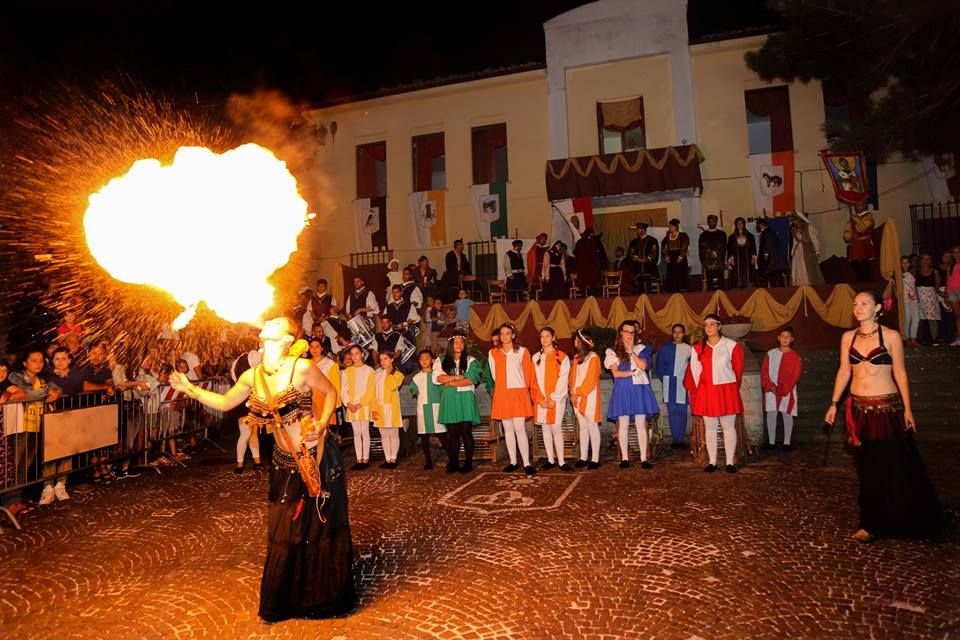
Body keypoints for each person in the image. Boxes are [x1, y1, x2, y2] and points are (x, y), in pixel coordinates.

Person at [168, 317, 355, 621]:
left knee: (317, 527)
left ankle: (322, 599)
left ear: (286, 339)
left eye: (277, 322)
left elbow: (331, 393)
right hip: (282, 461)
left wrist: (321, 424)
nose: (269, 321)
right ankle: (288, 600)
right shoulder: (253, 376)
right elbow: (226, 403)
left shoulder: (302, 368)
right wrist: (190, 389)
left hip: (315, 458)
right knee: (286, 531)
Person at [824, 290, 943, 542]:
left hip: (887, 410)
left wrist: (908, 408)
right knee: (867, 469)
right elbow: (844, 371)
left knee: (894, 466)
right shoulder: (848, 337)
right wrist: (834, 403)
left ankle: (905, 519)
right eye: (856, 303)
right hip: (858, 411)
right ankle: (870, 524)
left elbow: (900, 372)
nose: (858, 307)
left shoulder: (890, 336)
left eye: (864, 303)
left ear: (878, 307)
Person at [684, 314, 744, 473]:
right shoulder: (697, 348)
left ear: (719, 326)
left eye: (712, 324)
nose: (709, 327)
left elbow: (738, 370)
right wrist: (699, 392)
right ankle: (712, 461)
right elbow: (695, 372)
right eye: (706, 325)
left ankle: (730, 462)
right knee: (710, 427)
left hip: (726, 390)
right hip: (707, 391)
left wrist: (732, 388)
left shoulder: (731, 346)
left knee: (728, 426)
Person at [605, 321, 659, 469]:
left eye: (632, 332)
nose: (629, 335)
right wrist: (630, 373)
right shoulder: (612, 351)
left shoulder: (642, 349)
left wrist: (631, 352)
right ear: (620, 332)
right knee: (623, 425)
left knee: (641, 424)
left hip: (639, 389)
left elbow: (643, 366)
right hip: (622, 390)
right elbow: (616, 373)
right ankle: (625, 458)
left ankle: (643, 458)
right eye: (626, 331)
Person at [488, 323, 536, 474]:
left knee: (519, 427)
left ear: (513, 335)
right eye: (502, 334)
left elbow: (528, 373)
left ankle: (527, 463)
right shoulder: (493, 353)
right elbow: (494, 374)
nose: (504, 336)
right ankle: (513, 461)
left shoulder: (522, 351)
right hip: (502, 393)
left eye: (508, 333)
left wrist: (524, 390)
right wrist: (502, 387)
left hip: (518, 393)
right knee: (507, 428)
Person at [435, 333, 482, 473]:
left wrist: (450, 382)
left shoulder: (471, 360)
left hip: (466, 398)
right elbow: (438, 378)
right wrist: (457, 377)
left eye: (461, 342)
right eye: (456, 342)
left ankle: (468, 463)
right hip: (450, 399)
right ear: (450, 344)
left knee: (466, 432)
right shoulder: (441, 360)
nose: (459, 345)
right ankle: (453, 462)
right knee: (453, 433)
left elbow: (471, 379)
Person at [531, 327, 572, 471]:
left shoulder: (562, 357)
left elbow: (563, 378)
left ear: (553, 337)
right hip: (541, 398)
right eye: (542, 336)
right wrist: (539, 398)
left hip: (556, 398)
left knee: (556, 427)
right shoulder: (536, 358)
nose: (544, 339)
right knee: (545, 427)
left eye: (547, 336)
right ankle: (550, 459)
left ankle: (561, 461)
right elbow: (533, 380)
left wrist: (555, 397)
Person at [760, 327, 802, 451]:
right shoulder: (770, 354)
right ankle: (772, 442)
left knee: (787, 414)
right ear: (778, 338)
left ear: (792, 339)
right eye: (782, 336)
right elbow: (764, 371)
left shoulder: (795, 357)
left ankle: (787, 442)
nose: (785, 339)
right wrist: (770, 386)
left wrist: (785, 389)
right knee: (772, 414)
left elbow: (795, 375)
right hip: (771, 389)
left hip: (787, 391)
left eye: (787, 336)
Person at [409, 350, 447, 470]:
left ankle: (452, 457)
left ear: (432, 360)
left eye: (427, 358)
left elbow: (443, 390)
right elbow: (413, 390)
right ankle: (428, 460)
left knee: (442, 434)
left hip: (436, 408)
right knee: (424, 437)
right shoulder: (416, 377)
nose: (424, 361)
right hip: (422, 409)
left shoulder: (438, 376)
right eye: (421, 359)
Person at [569, 329, 602, 470]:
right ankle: (583, 457)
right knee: (582, 427)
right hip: (577, 397)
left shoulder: (594, 358)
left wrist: (579, 393)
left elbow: (591, 380)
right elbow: (572, 377)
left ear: (582, 341)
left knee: (592, 426)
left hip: (590, 397)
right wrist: (572, 391)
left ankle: (595, 458)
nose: (574, 342)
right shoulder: (577, 358)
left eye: (576, 340)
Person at [655, 323, 691, 449]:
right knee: (672, 412)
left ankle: (681, 439)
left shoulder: (689, 349)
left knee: (682, 412)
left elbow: (692, 368)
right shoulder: (665, 349)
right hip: (669, 383)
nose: (677, 334)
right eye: (675, 331)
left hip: (683, 384)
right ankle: (676, 440)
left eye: (680, 331)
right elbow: (659, 367)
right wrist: (665, 379)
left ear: (683, 333)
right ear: (672, 333)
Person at [341, 344, 375, 469]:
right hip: (352, 406)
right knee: (356, 432)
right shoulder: (347, 372)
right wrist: (348, 403)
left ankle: (365, 459)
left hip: (364, 405)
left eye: (357, 353)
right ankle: (358, 459)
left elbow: (371, 389)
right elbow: (344, 389)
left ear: (362, 354)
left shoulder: (369, 370)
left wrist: (361, 403)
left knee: (364, 431)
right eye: (352, 354)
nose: (354, 356)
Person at [372, 352, 404, 468]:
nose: (383, 362)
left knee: (393, 434)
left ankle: (393, 459)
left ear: (391, 359)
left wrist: (389, 373)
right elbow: (373, 393)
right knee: (384, 435)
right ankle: (387, 458)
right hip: (380, 407)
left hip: (391, 408)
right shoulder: (376, 375)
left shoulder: (398, 375)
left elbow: (391, 386)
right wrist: (374, 409)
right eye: (381, 360)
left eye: (385, 359)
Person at [843, 201, 876, 282]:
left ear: (864, 205)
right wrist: (850, 235)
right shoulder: (853, 218)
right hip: (855, 244)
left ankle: (866, 282)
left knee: (865, 265)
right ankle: (860, 281)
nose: (856, 207)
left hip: (864, 243)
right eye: (855, 205)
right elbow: (847, 232)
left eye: (858, 205)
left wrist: (855, 220)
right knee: (854, 264)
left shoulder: (869, 216)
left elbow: (863, 227)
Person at [789, 211, 824, 286]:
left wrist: (817, 250)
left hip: (807, 250)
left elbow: (814, 239)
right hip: (798, 251)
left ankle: (807, 282)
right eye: (792, 220)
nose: (793, 222)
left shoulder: (808, 227)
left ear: (799, 219)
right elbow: (795, 241)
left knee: (807, 267)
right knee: (798, 268)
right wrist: (792, 251)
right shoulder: (794, 229)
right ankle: (799, 283)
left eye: (794, 220)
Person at [627, 222, 660, 294]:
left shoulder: (652, 240)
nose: (637, 231)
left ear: (643, 230)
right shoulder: (634, 242)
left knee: (648, 287)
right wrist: (637, 258)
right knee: (638, 287)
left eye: (639, 229)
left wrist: (647, 259)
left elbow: (654, 252)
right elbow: (631, 252)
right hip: (637, 267)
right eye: (637, 229)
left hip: (648, 266)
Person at [573, 227, 606, 296]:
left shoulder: (579, 242)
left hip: (582, 268)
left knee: (583, 285)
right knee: (592, 285)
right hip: (592, 268)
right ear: (591, 233)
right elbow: (596, 255)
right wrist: (599, 265)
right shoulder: (593, 242)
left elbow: (575, 253)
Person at [756, 217, 787, 288]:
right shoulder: (770, 232)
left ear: (761, 225)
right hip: (774, 261)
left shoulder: (767, 233)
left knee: (775, 280)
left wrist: (766, 255)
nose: (756, 227)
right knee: (776, 279)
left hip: (772, 261)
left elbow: (768, 245)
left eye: (757, 225)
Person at [661, 218, 690, 292]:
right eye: (669, 226)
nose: (670, 228)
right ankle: (672, 289)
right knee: (671, 274)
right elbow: (664, 248)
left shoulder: (682, 235)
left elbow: (685, 246)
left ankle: (682, 289)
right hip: (671, 258)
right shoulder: (667, 238)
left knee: (680, 274)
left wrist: (680, 256)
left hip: (680, 258)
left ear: (675, 227)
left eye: (671, 226)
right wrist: (666, 256)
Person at [698, 214, 727, 291]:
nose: (711, 223)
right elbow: (701, 248)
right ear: (707, 222)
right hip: (708, 263)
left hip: (718, 262)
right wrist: (709, 253)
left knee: (720, 284)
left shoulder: (722, 234)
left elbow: (723, 246)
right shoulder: (703, 235)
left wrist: (715, 253)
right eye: (709, 221)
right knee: (710, 285)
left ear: (716, 222)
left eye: (713, 221)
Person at [726, 217, 756, 289]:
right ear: (736, 225)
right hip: (736, 260)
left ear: (744, 224)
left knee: (748, 275)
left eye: (741, 223)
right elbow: (729, 249)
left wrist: (753, 257)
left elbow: (753, 248)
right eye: (738, 223)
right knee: (736, 275)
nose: (740, 225)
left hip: (747, 259)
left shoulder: (750, 236)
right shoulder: (731, 237)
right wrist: (731, 258)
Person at [901, 256, 920, 348]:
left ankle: (913, 339)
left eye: (907, 262)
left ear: (910, 264)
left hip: (914, 299)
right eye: (903, 262)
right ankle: (907, 339)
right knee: (907, 319)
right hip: (905, 299)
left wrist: (917, 297)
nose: (905, 264)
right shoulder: (899, 274)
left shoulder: (913, 273)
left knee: (916, 318)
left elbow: (914, 286)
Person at [946, 246, 960, 346]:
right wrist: (947, 293)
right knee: (957, 316)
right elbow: (948, 280)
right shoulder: (950, 266)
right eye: (954, 252)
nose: (956, 254)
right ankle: (959, 337)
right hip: (952, 291)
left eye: (958, 252)